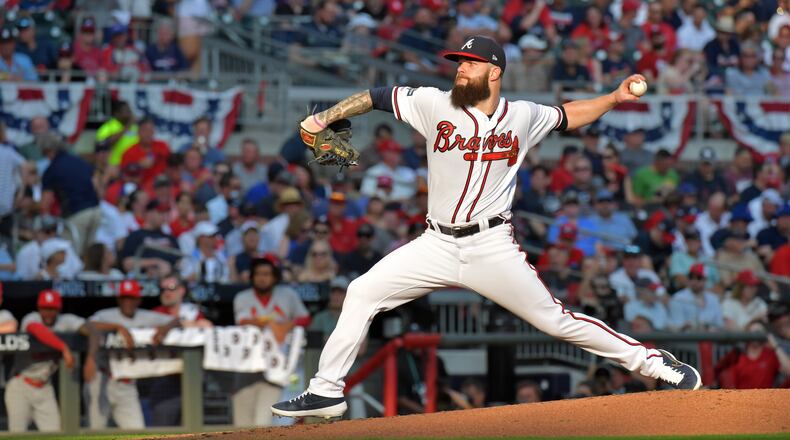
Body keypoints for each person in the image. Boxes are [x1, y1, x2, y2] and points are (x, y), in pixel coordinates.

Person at [272, 35, 702, 419]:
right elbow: (377, 95)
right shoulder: (433, 103)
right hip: (435, 243)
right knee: (361, 291)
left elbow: (567, 114)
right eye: (459, 62)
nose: (461, 69)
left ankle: (655, 364)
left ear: (494, 72)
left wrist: (613, 98)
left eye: (470, 63)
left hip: (491, 245)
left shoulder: (522, 115)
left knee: (555, 320)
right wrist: (324, 118)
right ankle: (326, 391)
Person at [86, 280, 179, 429]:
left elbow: (176, 321)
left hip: (127, 384)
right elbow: (88, 325)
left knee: (137, 431)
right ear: (119, 300)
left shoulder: (144, 316)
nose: (127, 302)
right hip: (102, 379)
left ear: (138, 300)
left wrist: (165, 328)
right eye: (124, 298)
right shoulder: (107, 315)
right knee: (96, 431)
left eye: (131, 298)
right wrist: (117, 327)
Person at [232, 255, 311, 427]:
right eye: (258, 274)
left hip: (277, 366)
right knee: (242, 424)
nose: (262, 278)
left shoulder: (287, 294)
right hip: (247, 367)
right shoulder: (242, 297)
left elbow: (305, 318)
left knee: (264, 422)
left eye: (267, 274)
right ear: (252, 276)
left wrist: (287, 325)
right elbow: (243, 321)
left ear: (275, 276)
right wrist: (271, 323)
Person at [5, 290, 95, 432]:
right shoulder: (32, 317)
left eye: (52, 309)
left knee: (54, 433)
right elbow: (35, 329)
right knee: (17, 434)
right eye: (45, 308)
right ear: (39, 308)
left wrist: (91, 357)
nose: (48, 313)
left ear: (59, 309)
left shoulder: (65, 321)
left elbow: (91, 328)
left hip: (44, 387)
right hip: (21, 385)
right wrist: (63, 347)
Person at [39, 133, 102, 256]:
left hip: (77, 213)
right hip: (96, 211)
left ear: (47, 150)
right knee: (89, 255)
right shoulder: (81, 162)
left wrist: (43, 220)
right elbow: (97, 186)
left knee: (71, 255)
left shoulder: (52, 169)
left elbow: (45, 203)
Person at [118, 200, 180, 277]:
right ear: (149, 213)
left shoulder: (170, 237)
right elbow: (127, 264)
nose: (164, 216)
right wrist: (156, 262)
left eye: (165, 213)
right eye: (160, 212)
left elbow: (180, 261)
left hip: (170, 278)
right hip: (144, 278)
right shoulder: (135, 236)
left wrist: (170, 269)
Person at [668, 263, 724, 331]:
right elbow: (677, 328)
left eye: (699, 278)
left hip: (710, 336)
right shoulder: (678, 298)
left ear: (705, 280)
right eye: (691, 277)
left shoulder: (713, 299)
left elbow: (720, 325)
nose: (694, 281)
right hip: (688, 336)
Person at [120, 118, 171, 188]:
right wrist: (138, 165)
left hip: (161, 187)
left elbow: (172, 165)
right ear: (138, 132)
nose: (148, 134)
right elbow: (123, 176)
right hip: (139, 188)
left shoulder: (162, 146)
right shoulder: (129, 152)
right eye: (145, 130)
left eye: (151, 130)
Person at [309, 276, 349, 342]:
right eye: (333, 292)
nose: (336, 296)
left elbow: (362, 346)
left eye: (340, 293)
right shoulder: (319, 318)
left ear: (347, 296)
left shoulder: (353, 317)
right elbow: (312, 341)